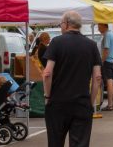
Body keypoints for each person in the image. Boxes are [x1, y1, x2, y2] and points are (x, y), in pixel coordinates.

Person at [41, 11, 102, 147]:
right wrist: (90, 102)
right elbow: (97, 77)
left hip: (58, 103)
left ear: (67, 24)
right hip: (82, 103)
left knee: (55, 142)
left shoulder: (56, 42)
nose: (61, 27)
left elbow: (47, 73)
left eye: (61, 24)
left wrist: (47, 96)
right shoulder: (91, 45)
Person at [98, 23, 113, 111]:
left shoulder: (107, 35)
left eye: (99, 26)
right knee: (112, 82)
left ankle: (110, 105)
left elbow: (106, 50)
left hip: (108, 61)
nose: (98, 28)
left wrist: (101, 62)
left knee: (109, 82)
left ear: (104, 26)